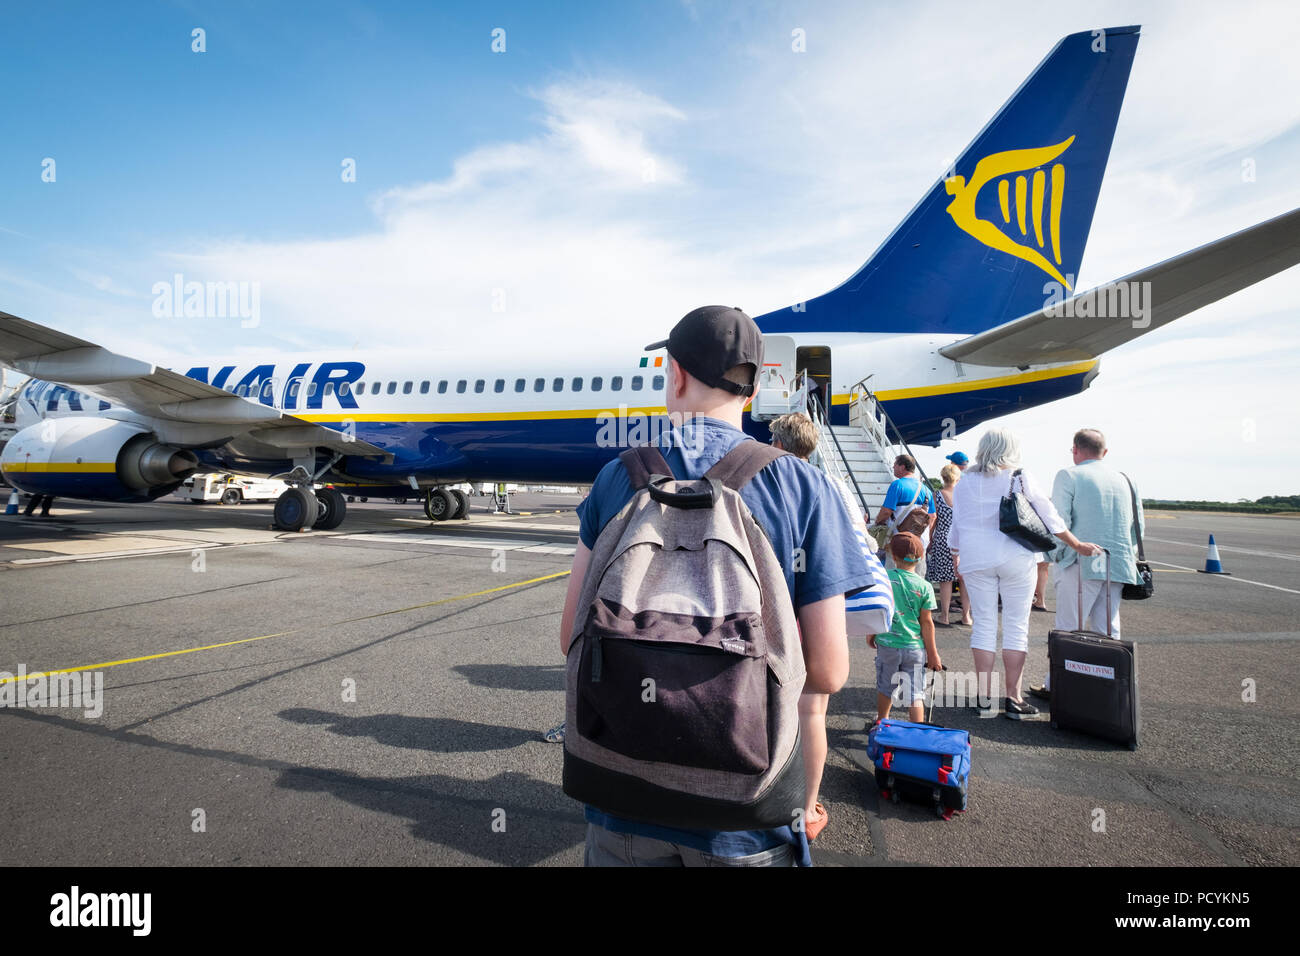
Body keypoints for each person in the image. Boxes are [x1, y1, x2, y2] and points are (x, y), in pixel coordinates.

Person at [560, 305, 874, 867]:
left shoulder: (618, 477)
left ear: (675, 375)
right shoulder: (801, 486)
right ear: (751, 391)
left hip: (621, 800)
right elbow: (827, 670)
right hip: (745, 817)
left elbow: (570, 637)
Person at [768, 411, 892, 841]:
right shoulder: (832, 485)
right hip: (823, 607)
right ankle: (806, 810)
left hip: (777, 608)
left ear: (779, 445)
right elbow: (861, 544)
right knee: (813, 711)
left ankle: (760, 793)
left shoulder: (770, 481)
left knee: (765, 704)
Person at [947, 428, 1100, 718]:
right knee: (1016, 626)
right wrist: (1076, 544)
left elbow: (958, 523)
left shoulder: (965, 481)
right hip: (1016, 556)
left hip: (975, 558)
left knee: (983, 625)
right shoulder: (1018, 475)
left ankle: (983, 697)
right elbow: (1048, 515)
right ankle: (1014, 699)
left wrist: (956, 553)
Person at [1029, 428, 1145, 700]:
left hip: (1079, 561)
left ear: (1075, 449)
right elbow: (1138, 527)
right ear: (1104, 452)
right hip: (1117, 563)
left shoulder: (1069, 475)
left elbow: (1059, 521)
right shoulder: (1126, 480)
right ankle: (1108, 687)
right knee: (1108, 628)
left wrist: (1055, 556)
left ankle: (1058, 684)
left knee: (1069, 628)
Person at [869, 532, 941, 724]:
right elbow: (927, 622)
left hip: (888, 644)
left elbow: (880, 609)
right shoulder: (925, 587)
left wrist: (872, 633)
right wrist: (933, 655)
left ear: (893, 556)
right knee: (915, 692)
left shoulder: (884, 578)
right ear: (922, 557)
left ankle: (882, 722)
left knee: (886, 687)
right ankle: (917, 731)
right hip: (915, 648)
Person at [873, 455, 936, 576]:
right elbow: (932, 517)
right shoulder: (926, 490)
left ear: (902, 467)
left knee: (894, 577)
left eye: (895, 465)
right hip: (919, 543)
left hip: (898, 540)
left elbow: (886, 511)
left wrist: (877, 522)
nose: (893, 467)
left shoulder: (897, 485)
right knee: (917, 579)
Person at [926, 464, 970, 627]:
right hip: (963, 538)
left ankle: (944, 615)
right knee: (964, 579)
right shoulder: (964, 496)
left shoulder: (937, 495)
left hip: (943, 538)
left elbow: (933, 519)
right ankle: (966, 616)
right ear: (958, 478)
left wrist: (931, 539)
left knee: (946, 580)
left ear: (942, 477)